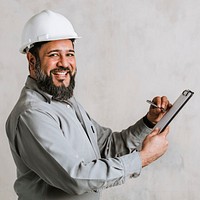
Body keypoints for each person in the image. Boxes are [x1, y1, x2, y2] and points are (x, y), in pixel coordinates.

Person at [6, 10, 171, 200]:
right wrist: (142, 158)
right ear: (32, 60)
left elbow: (106, 146)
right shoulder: (32, 113)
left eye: (69, 54)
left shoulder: (65, 102)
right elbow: (74, 177)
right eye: (54, 55)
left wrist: (149, 122)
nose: (64, 63)